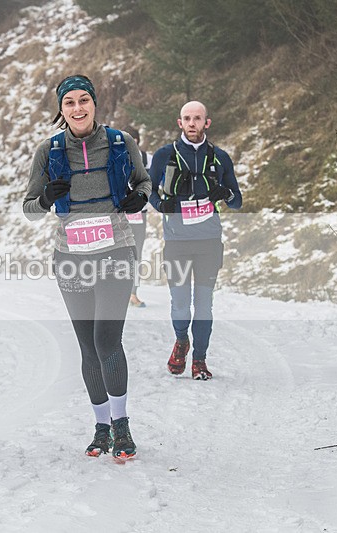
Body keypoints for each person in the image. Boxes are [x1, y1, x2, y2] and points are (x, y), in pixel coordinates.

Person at [23, 75, 151, 460]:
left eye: (84, 101)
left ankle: (121, 425)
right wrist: (45, 198)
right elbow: (29, 209)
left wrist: (136, 200)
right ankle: (101, 427)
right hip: (71, 259)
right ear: (60, 110)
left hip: (115, 252)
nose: (77, 108)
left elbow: (144, 185)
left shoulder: (119, 142)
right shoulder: (49, 150)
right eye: (69, 103)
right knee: (87, 348)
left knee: (107, 341)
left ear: (95, 104)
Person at [148, 101, 242, 380]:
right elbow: (148, 191)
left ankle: (199, 360)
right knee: (179, 303)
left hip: (209, 242)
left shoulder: (220, 158)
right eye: (187, 118)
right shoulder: (165, 155)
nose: (192, 123)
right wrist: (159, 205)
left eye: (197, 119)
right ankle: (181, 341)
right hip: (177, 242)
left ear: (206, 123)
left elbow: (237, 202)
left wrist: (223, 192)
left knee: (203, 305)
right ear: (179, 123)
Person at [123, 127, 152, 308]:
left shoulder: (148, 158)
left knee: (136, 253)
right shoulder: (113, 157)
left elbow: (153, 183)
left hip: (139, 215)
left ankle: (133, 293)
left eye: (134, 139)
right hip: (117, 214)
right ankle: (115, 292)